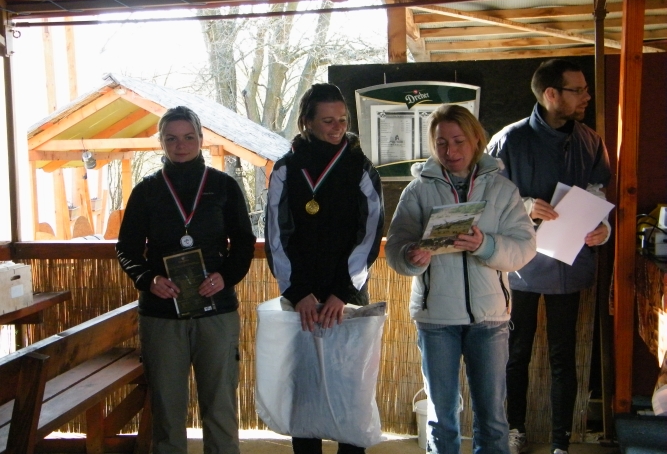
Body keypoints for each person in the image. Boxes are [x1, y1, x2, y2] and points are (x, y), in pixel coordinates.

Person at [385, 104, 536, 454]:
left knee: (493, 418)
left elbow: (525, 247)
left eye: (458, 141)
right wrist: (411, 256)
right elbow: (395, 249)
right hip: (436, 318)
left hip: (490, 318)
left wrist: (486, 245)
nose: (450, 151)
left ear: (476, 140)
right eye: (441, 143)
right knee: (442, 417)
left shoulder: (503, 190)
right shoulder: (417, 191)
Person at [487, 59, 612, 454]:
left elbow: (599, 191)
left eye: (586, 89)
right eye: (579, 90)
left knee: (563, 355)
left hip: (569, 264)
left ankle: (561, 441)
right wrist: (525, 206)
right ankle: (514, 430)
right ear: (551, 94)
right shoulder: (509, 140)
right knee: (516, 352)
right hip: (519, 266)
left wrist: (603, 228)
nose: (586, 97)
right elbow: (485, 198)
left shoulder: (591, 141)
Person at [116, 106, 256, 454]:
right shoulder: (146, 190)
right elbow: (127, 250)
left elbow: (243, 243)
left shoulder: (223, 186)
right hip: (162, 313)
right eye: (172, 138)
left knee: (220, 405)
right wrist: (149, 280)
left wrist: (225, 277)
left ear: (201, 139)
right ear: (161, 142)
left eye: (189, 137)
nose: (181, 145)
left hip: (216, 310)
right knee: (166, 408)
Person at [264, 83, 384, 454]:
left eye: (342, 120)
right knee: (306, 390)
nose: (337, 127)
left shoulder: (361, 168)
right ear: (307, 122)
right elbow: (276, 235)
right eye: (328, 120)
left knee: (350, 391)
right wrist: (299, 292)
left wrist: (342, 293)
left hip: (346, 296)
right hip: (300, 299)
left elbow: (370, 233)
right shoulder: (286, 169)